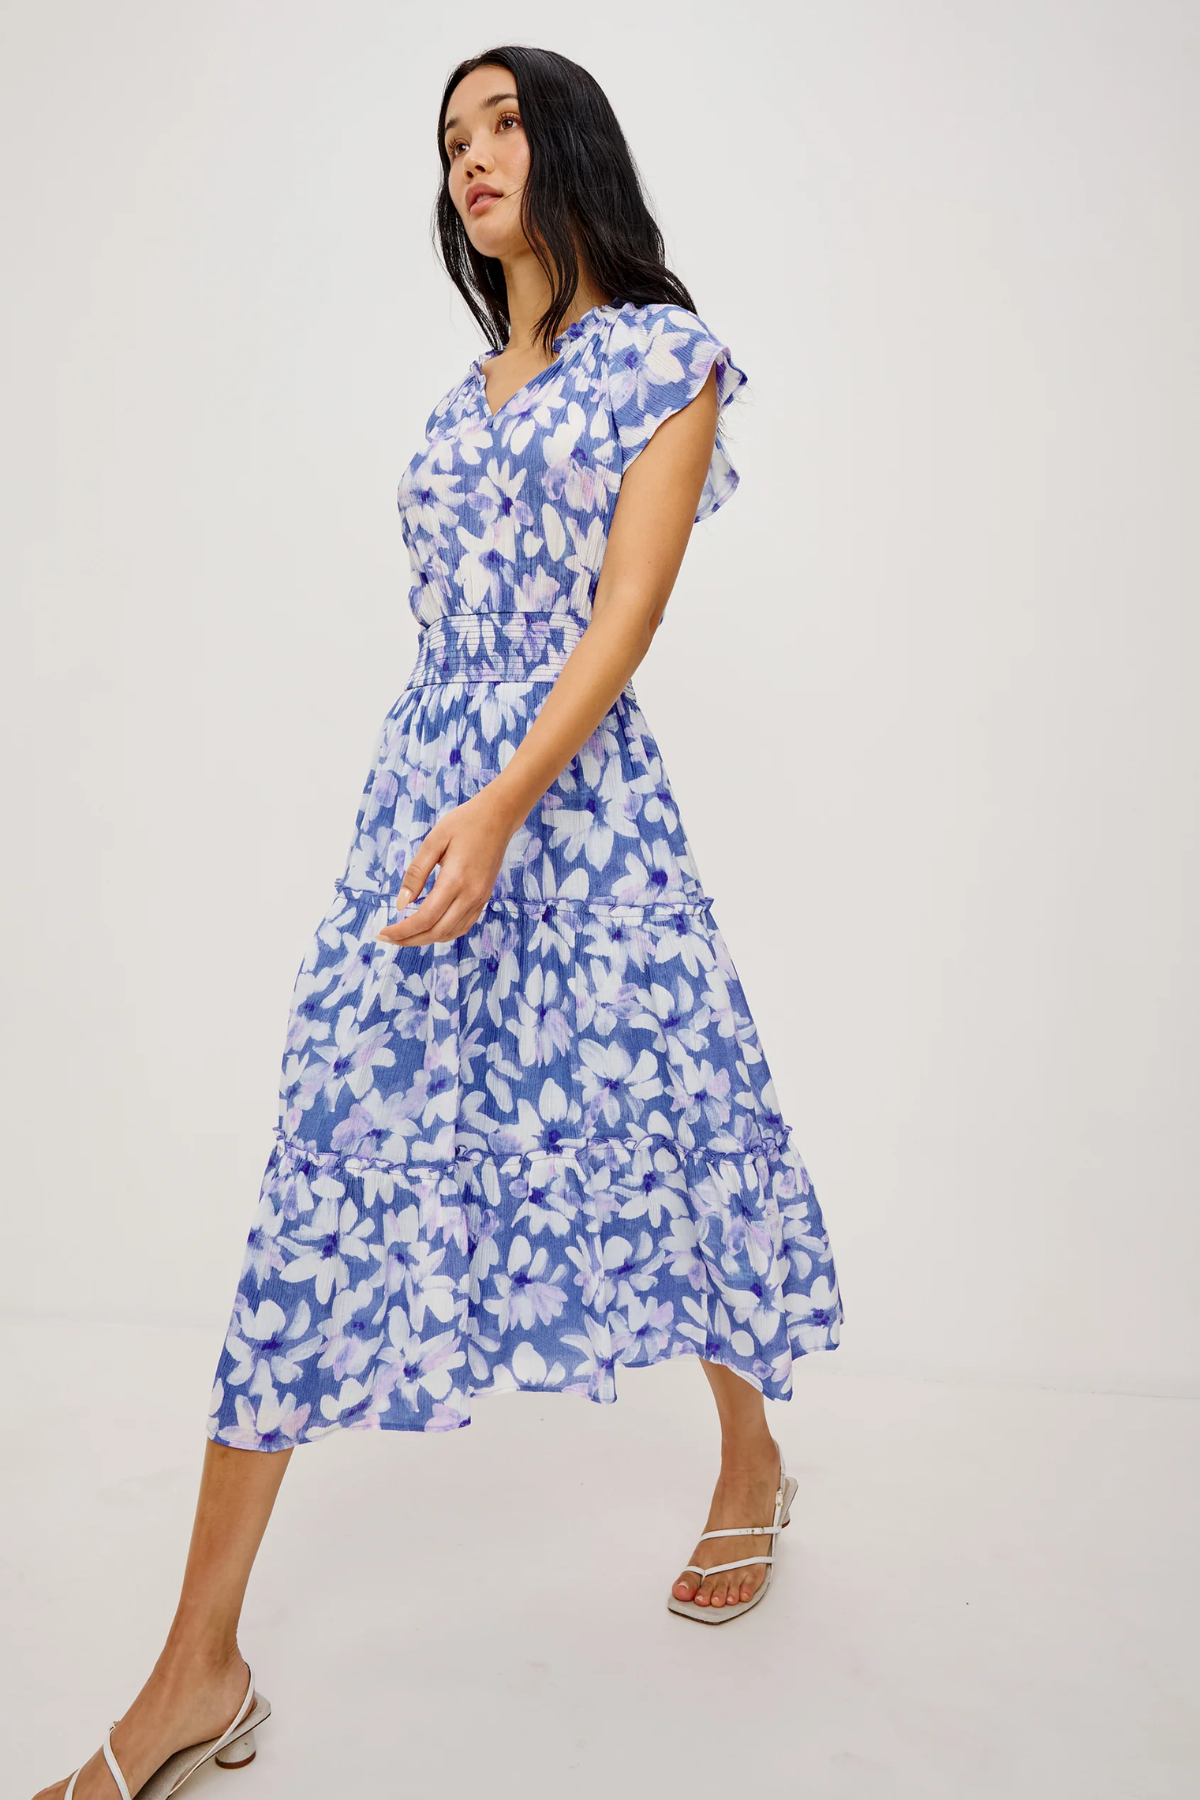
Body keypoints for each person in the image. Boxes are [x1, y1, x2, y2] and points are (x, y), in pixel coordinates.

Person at [38, 43, 843, 1800]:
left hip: (578, 816)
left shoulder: (667, 360)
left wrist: (505, 802)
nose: (472, 156)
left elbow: (625, 618)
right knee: (323, 1170)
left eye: (503, 124)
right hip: (424, 808)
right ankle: (197, 1670)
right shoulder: (464, 391)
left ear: (571, 146)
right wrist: (448, 802)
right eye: (450, 138)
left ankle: (750, 1454)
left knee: (662, 1129)